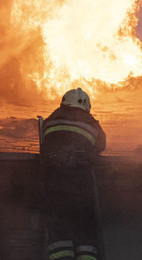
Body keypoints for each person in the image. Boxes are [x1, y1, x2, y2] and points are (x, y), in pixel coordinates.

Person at [40, 88, 106, 260]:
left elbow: (45, 144)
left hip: (54, 180)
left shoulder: (51, 119)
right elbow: (101, 144)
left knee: (58, 226)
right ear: (86, 106)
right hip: (80, 181)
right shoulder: (90, 122)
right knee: (85, 226)